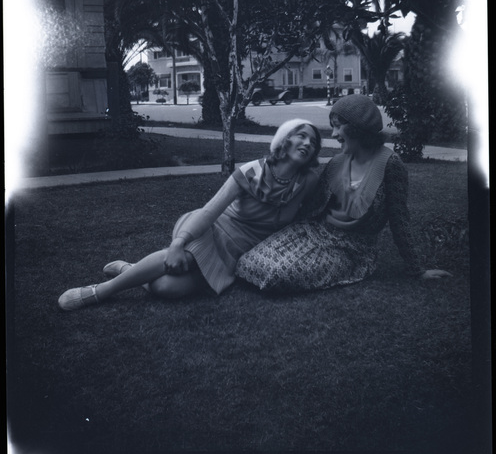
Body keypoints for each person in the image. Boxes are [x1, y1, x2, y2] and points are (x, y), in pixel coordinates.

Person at [58, 119, 322, 311]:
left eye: (313, 142)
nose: (308, 143)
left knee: (167, 288)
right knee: (183, 257)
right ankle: (100, 291)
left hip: (242, 251)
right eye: (302, 136)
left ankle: (130, 269)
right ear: (285, 139)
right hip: (216, 229)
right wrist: (178, 243)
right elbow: (210, 211)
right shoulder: (250, 172)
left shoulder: (307, 181)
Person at [236, 96, 452, 292]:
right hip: (313, 231)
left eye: (338, 127)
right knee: (247, 261)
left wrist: (417, 269)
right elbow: (312, 207)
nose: (333, 134)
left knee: (276, 274)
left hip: (352, 250)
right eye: (333, 127)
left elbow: (399, 218)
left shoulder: (390, 164)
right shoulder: (336, 162)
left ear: (358, 128)